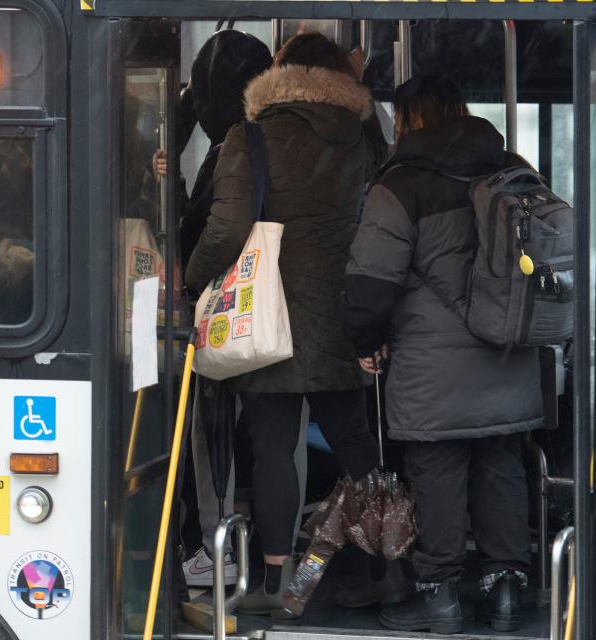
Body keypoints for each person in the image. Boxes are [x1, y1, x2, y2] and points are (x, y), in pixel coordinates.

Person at [184, 32, 387, 616]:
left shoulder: (250, 137)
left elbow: (225, 229)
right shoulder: (364, 136)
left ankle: (276, 584)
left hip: (265, 314)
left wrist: (196, 281)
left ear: (279, 71)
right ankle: (384, 565)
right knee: (356, 444)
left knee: (275, 449)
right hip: (345, 312)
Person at [342, 75, 541, 634]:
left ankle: (440, 600)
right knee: (501, 466)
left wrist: (363, 341)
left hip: (432, 366)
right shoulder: (514, 170)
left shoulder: (400, 184)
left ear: (407, 121)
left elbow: (370, 284)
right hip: (508, 352)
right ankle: (505, 596)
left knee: (438, 473)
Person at [154, 30, 274, 589]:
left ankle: (215, 545)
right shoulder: (275, 136)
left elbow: (212, 225)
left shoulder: (237, 145)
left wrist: (192, 281)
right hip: (262, 306)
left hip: (222, 305)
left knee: (210, 432)